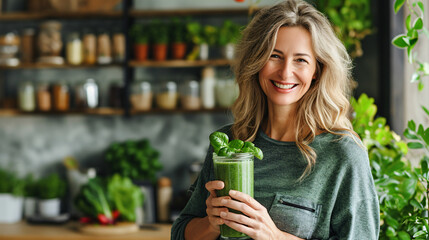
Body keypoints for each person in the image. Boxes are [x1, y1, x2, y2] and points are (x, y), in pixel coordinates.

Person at [171, 0, 380, 239]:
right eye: (274, 56)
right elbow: (180, 233)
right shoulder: (230, 145)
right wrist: (211, 224)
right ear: (257, 62)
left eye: (300, 60)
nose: (285, 72)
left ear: (317, 71)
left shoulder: (342, 155)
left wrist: (274, 236)